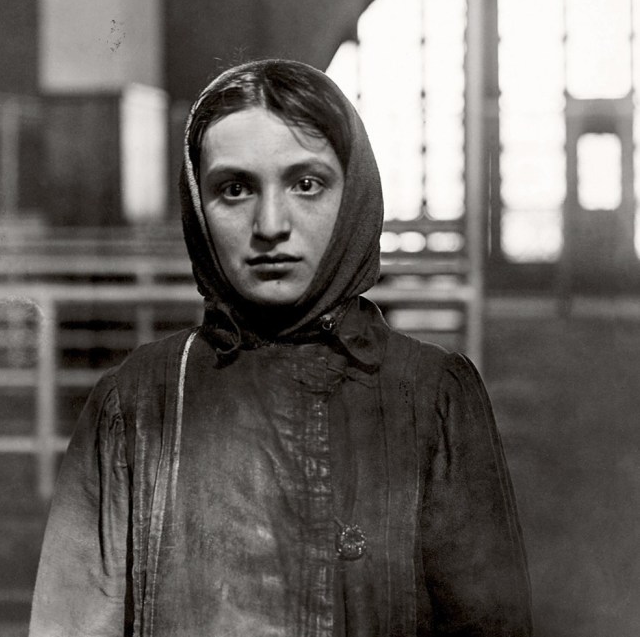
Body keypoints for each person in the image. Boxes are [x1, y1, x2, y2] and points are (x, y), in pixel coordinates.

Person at [29, 59, 532, 636]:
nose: (271, 223)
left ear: (354, 196)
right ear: (198, 207)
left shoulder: (432, 395)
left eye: (307, 183)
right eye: (235, 188)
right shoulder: (136, 404)